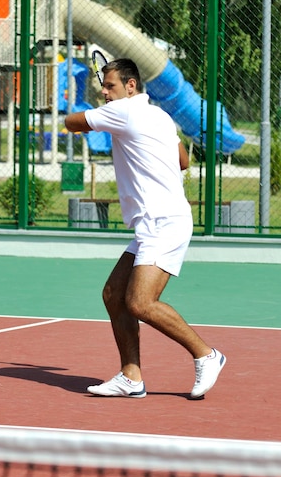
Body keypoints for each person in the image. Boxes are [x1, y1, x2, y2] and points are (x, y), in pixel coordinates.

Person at [64, 58, 225, 399]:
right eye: (103, 87)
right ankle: (131, 377)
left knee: (140, 302)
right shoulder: (161, 117)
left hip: (163, 222)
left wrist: (81, 102)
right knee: (113, 295)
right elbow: (183, 161)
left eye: (110, 87)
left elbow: (71, 122)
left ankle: (206, 354)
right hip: (156, 222)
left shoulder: (122, 112)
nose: (105, 93)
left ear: (131, 86)